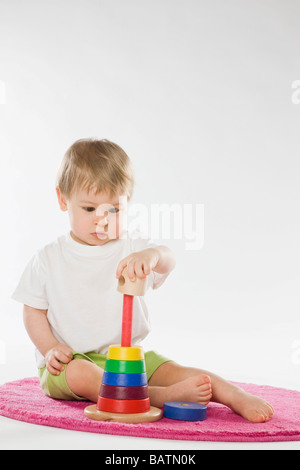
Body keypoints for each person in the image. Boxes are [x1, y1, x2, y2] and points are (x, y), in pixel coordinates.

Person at [12, 138, 274, 422]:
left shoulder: (132, 245)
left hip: (127, 358)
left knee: (179, 371)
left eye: (114, 210)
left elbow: (168, 258)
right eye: (89, 209)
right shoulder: (48, 258)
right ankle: (158, 396)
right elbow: (33, 310)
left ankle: (235, 395)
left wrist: (152, 255)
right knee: (83, 374)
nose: (102, 220)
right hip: (70, 364)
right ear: (63, 200)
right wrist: (49, 348)